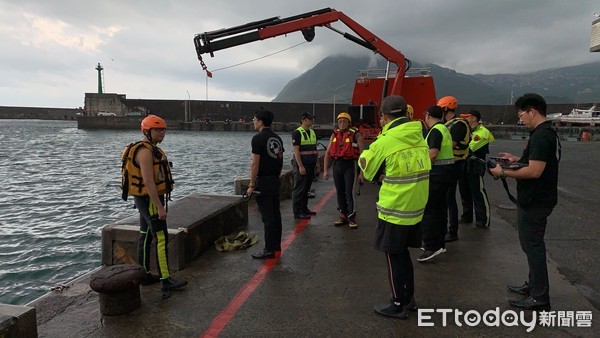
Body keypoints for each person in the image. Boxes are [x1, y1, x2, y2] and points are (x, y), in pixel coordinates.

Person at [359, 95, 431, 319]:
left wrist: (364, 153)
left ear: (384, 116)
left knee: (393, 257)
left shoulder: (386, 141)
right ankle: (409, 298)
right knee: (403, 256)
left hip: (395, 209)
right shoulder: (420, 136)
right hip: (416, 207)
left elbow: (367, 171)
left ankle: (397, 303)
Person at [489, 93, 560, 310]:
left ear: (533, 111)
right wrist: (515, 160)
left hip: (536, 200)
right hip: (539, 198)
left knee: (533, 246)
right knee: (530, 245)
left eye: (522, 114)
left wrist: (503, 173)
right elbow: (534, 162)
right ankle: (534, 285)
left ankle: (540, 297)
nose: (521, 119)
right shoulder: (545, 132)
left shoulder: (541, 136)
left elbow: (535, 171)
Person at [120, 115, 187, 296]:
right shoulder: (145, 152)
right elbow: (149, 182)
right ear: (147, 132)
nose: (162, 133)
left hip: (143, 199)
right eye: (158, 130)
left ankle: (144, 274)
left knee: (145, 235)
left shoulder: (148, 149)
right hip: (150, 200)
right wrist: (160, 207)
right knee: (161, 237)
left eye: (164, 130)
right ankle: (166, 280)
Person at [246, 109, 285, 259]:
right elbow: (280, 159)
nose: (253, 121)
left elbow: (255, 163)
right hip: (275, 179)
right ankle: (276, 246)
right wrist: (276, 176)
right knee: (276, 214)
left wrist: (251, 184)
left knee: (267, 217)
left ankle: (268, 250)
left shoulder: (257, 139)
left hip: (263, 181)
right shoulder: (277, 138)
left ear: (261, 121)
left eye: (254, 119)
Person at [418, 105, 454, 262]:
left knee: (430, 210)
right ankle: (440, 244)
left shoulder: (435, 131)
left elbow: (432, 154)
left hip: (436, 175)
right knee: (440, 210)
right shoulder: (444, 128)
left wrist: (418, 168)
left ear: (427, 115)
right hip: (445, 174)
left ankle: (431, 246)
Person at [438, 96, 472, 242]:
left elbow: (450, 145)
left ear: (446, 108)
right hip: (449, 164)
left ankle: (452, 231)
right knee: (446, 197)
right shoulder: (449, 124)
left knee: (450, 198)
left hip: (456, 164)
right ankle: (447, 229)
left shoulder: (458, 125)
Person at [323, 112, 364, 228]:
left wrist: (362, 173)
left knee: (349, 192)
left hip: (350, 165)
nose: (341, 123)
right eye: (340, 121)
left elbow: (363, 155)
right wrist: (325, 170)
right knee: (340, 191)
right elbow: (327, 153)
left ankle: (352, 217)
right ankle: (343, 215)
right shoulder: (334, 135)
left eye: (344, 121)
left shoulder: (356, 135)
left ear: (349, 123)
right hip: (337, 165)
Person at [459, 110, 495, 231]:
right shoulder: (469, 131)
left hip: (475, 166)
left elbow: (469, 148)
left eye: (466, 117)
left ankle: (483, 220)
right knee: (464, 192)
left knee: (478, 193)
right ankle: (467, 216)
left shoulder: (482, 132)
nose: (465, 119)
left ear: (474, 118)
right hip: (464, 165)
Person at [291, 112, 320, 219]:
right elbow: (296, 151)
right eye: (310, 119)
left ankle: (304, 208)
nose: (312, 121)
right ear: (303, 120)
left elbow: (315, 149)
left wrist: (317, 163)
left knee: (307, 188)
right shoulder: (297, 133)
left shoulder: (312, 132)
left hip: (311, 163)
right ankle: (297, 212)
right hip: (303, 164)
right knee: (299, 188)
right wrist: (300, 166)